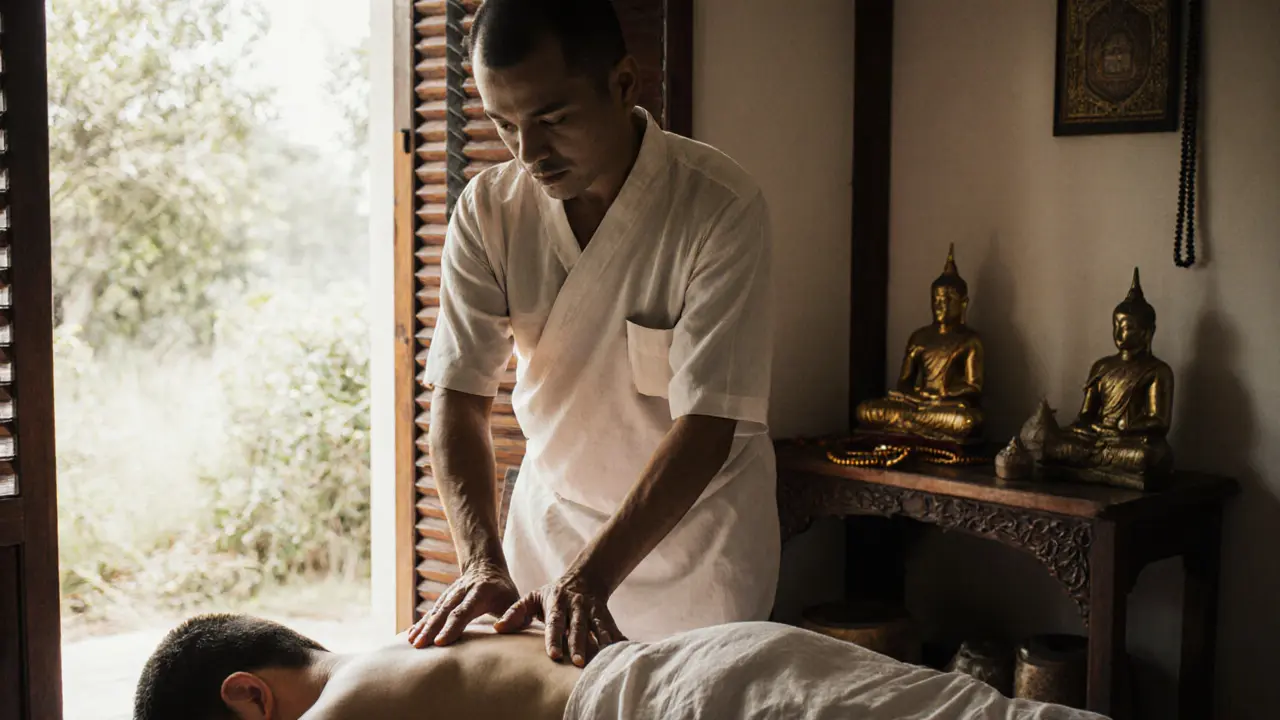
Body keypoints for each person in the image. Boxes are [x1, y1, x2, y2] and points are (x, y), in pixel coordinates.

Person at [410, 0, 779, 666]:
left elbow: (707, 423)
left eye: (552, 120)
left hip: (695, 550)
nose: (528, 153)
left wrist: (590, 577)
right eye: (503, 124)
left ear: (624, 84)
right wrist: (479, 562)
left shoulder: (718, 205)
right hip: (549, 530)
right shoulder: (490, 210)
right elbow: (459, 398)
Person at [133, 613, 1108, 720]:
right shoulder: (398, 650)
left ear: (250, 697)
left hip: (684, 701)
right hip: (711, 660)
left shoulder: (340, 710)